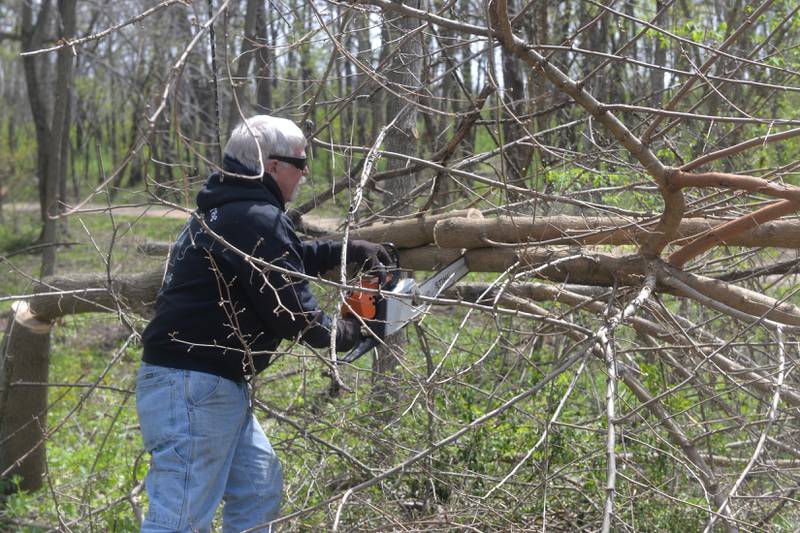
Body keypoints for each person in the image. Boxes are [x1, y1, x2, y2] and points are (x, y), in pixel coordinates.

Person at [137, 115, 390, 532]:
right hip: (194, 385)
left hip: (203, 384)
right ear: (271, 167)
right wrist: (348, 332)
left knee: (258, 488)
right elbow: (293, 313)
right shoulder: (254, 218)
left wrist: (346, 249)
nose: (306, 172)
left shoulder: (225, 214)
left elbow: (280, 260)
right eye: (300, 163)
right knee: (179, 517)